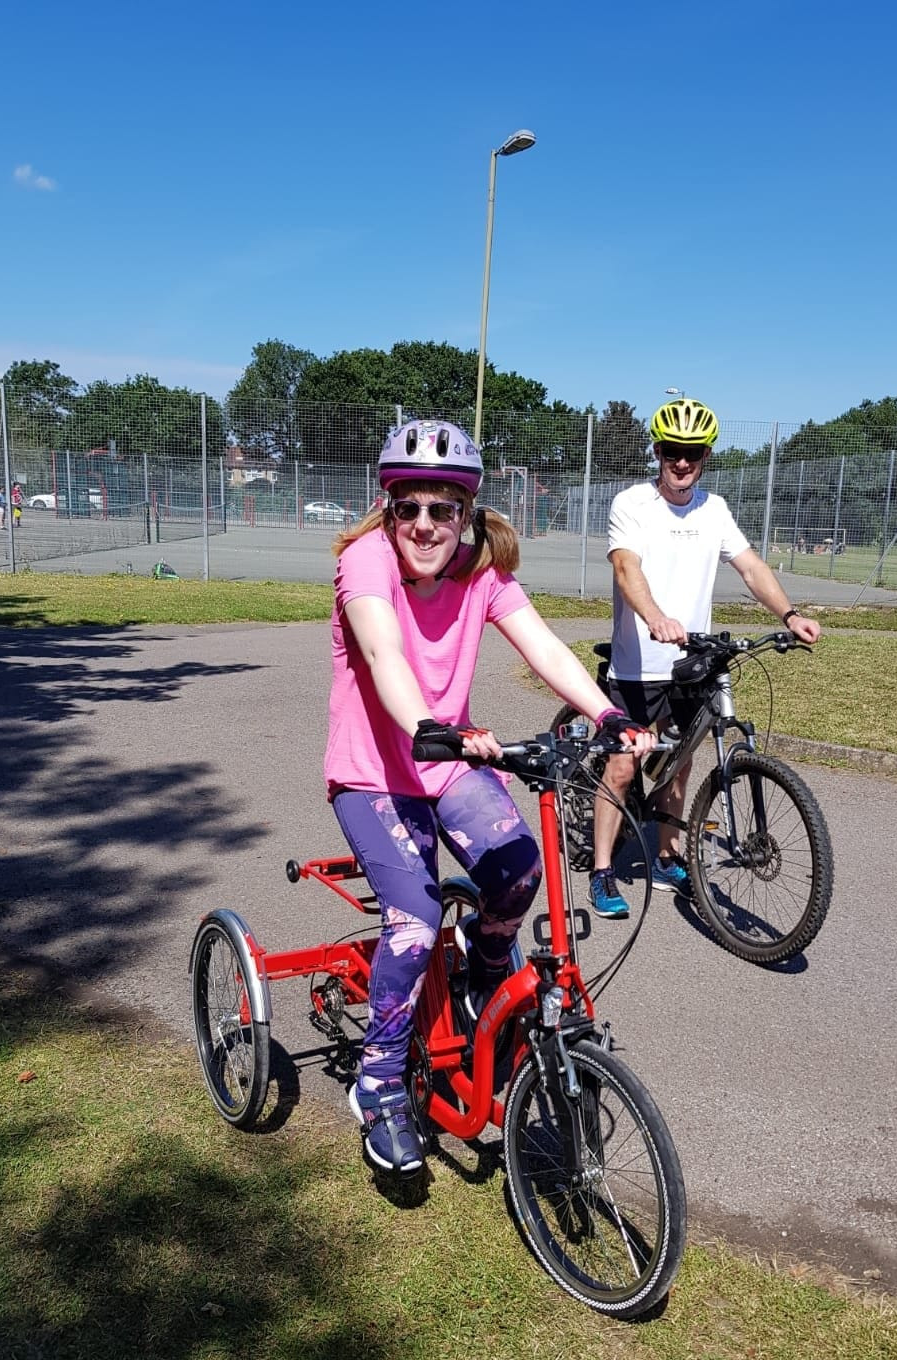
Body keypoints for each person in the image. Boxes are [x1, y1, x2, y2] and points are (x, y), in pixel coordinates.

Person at [325, 419, 653, 1175]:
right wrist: (431, 726)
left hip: (447, 763)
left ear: (466, 512)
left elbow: (540, 644)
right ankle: (378, 1085)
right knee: (413, 920)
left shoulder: (482, 572)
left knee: (517, 869)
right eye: (409, 506)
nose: (425, 525)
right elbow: (382, 652)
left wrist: (609, 716)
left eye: (443, 508)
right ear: (388, 507)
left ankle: (484, 972)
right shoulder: (365, 564)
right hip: (374, 772)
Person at [589, 397, 821, 920]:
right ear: (657, 450)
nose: (681, 462)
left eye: (692, 452)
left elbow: (751, 567)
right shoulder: (632, 504)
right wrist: (654, 617)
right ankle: (602, 870)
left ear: (706, 455)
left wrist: (789, 615)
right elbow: (627, 569)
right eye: (672, 450)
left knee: (679, 765)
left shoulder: (713, 509)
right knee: (624, 767)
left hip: (691, 663)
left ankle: (669, 855)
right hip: (639, 664)